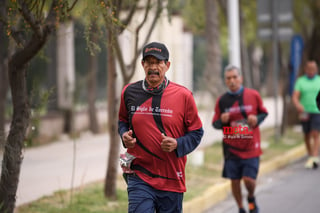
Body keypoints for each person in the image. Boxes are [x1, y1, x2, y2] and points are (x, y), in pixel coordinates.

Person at [118, 41, 204, 213]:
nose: (153, 67)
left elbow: (196, 132)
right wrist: (124, 135)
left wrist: (177, 144)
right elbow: (122, 120)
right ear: (142, 65)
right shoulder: (129, 92)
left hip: (171, 178)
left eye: (158, 62)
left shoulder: (183, 96)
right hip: (139, 175)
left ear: (167, 65)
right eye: (149, 62)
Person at [212, 65, 268, 213]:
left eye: (235, 77)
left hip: (251, 147)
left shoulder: (253, 95)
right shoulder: (222, 101)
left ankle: (250, 196)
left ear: (241, 78)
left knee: (249, 180)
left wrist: (256, 119)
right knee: (235, 180)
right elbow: (215, 124)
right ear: (225, 81)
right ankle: (241, 208)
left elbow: (264, 114)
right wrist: (222, 121)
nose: (232, 81)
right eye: (228, 78)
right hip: (231, 148)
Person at [292, 60, 320, 169]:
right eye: (310, 69)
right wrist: (298, 105)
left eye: (314, 69)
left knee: (315, 133)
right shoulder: (301, 81)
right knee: (307, 134)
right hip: (304, 111)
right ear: (306, 70)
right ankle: (310, 155)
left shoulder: (319, 80)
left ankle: (314, 156)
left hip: (317, 111)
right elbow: (295, 96)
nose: (312, 71)